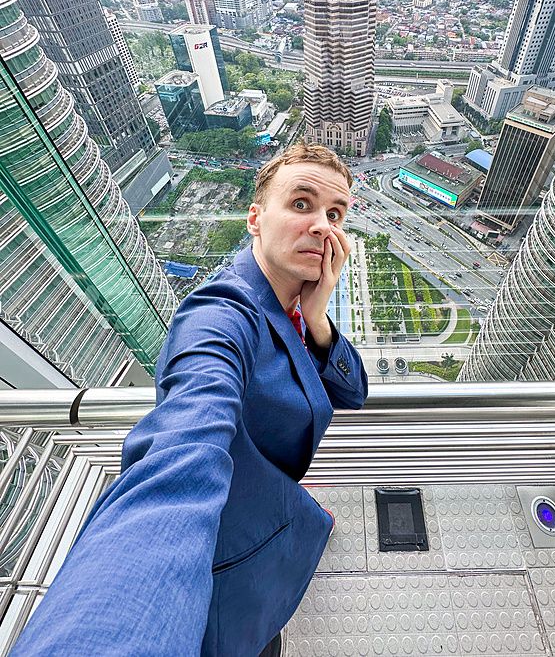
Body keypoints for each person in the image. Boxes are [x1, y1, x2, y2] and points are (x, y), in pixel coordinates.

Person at [12, 142, 368, 657]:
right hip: (216, 565)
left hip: (264, 521)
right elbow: (186, 442)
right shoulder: (219, 315)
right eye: (300, 204)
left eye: (335, 214)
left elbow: (353, 392)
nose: (321, 226)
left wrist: (318, 319)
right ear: (255, 220)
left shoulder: (295, 307)